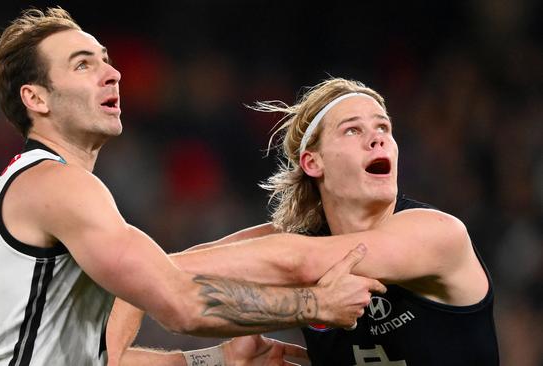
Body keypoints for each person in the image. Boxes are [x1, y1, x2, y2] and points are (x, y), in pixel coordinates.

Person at [0, 8, 387, 365]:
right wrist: (316, 305)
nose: (111, 74)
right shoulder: (55, 185)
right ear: (37, 99)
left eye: (105, 60)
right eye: (82, 65)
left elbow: (101, 357)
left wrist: (213, 360)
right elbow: (180, 304)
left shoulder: (48, 187)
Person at [107, 78, 499, 365]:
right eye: (353, 130)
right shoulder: (288, 243)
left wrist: (146, 270)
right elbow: (156, 288)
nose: (378, 139)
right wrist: (214, 361)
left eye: (383, 127)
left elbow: (302, 261)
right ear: (313, 162)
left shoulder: (437, 234)